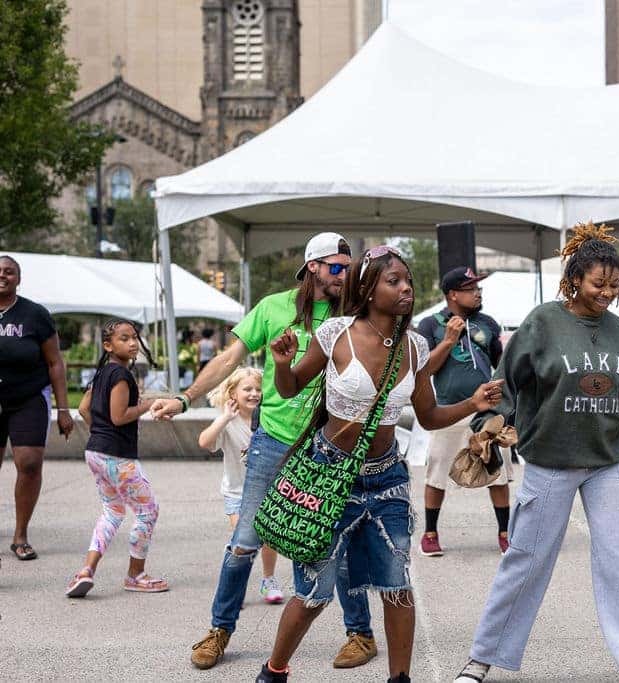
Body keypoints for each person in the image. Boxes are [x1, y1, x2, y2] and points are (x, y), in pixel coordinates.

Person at [261, 244, 504, 683]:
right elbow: (291, 386)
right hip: (330, 475)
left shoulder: (415, 346)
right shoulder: (336, 333)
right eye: (394, 281)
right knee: (314, 593)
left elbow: (428, 416)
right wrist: (282, 362)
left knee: (397, 586)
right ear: (368, 290)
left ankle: (400, 679)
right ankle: (274, 671)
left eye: (408, 281)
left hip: (387, 479)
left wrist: (471, 402)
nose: (406, 288)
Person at [454, 223, 619, 683]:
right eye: (599, 283)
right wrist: (489, 424)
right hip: (549, 461)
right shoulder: (542, 322)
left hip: (607, 463)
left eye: (614, 286)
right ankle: (482, 659)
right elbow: (505, 385)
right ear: (575, 278)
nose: (607, 293)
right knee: (526, 560)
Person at [149, 233, 377, 671]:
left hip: (329, 445)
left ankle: (360, 634)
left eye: (347, 268)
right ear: (312, 266)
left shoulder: (353, 313)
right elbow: (228, 359)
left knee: (338, 541)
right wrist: (185, 398)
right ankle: (219, 629)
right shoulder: (273, 307)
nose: (343, 275)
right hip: (273, 441)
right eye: (335, 267)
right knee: (243, 544)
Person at [65, 320, 166, 597]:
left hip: (95, 452)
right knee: (148, 511)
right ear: (108, 345)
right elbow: (119, 416)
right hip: (117, 456)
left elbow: (84, 407)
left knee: (113, 512)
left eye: (134, 338)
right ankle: (136, 575)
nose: (133, 343)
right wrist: (147, 404)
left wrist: (99, 432)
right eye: (124, 338)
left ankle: (86, 571)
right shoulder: (121, 376)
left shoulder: (101, 374)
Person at [416, 266, 510, 557]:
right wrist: (447, 340)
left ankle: (505, 532)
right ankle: (430, 534)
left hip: (487, 412)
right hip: (448, 410)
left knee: (499, 472)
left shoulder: (489, 323)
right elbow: (425, 369)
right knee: (437, 471)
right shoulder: (430, 324)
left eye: (478, 288)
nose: (477, 293)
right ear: (453, 294)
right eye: (470, 289)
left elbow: (501, 364)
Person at [0, 255, 74, 562]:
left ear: (19, 278)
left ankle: (20, 536)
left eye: (9, 272)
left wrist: (64, 409)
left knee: (29, 464)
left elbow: (55, 363)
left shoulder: (35, 315)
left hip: (27, 398)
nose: (3, 276)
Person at [198, 367, 284, 604]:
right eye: (247, 389)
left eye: (258, 389)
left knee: (267, 538)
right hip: (237, 493)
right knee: (243, 542)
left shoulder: (270, 419)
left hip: (268, 491)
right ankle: (235, 588)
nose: (254, 393)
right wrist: (225, 417)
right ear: (233, 393)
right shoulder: (228, 422)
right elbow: (205, 442)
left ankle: (269, 580)